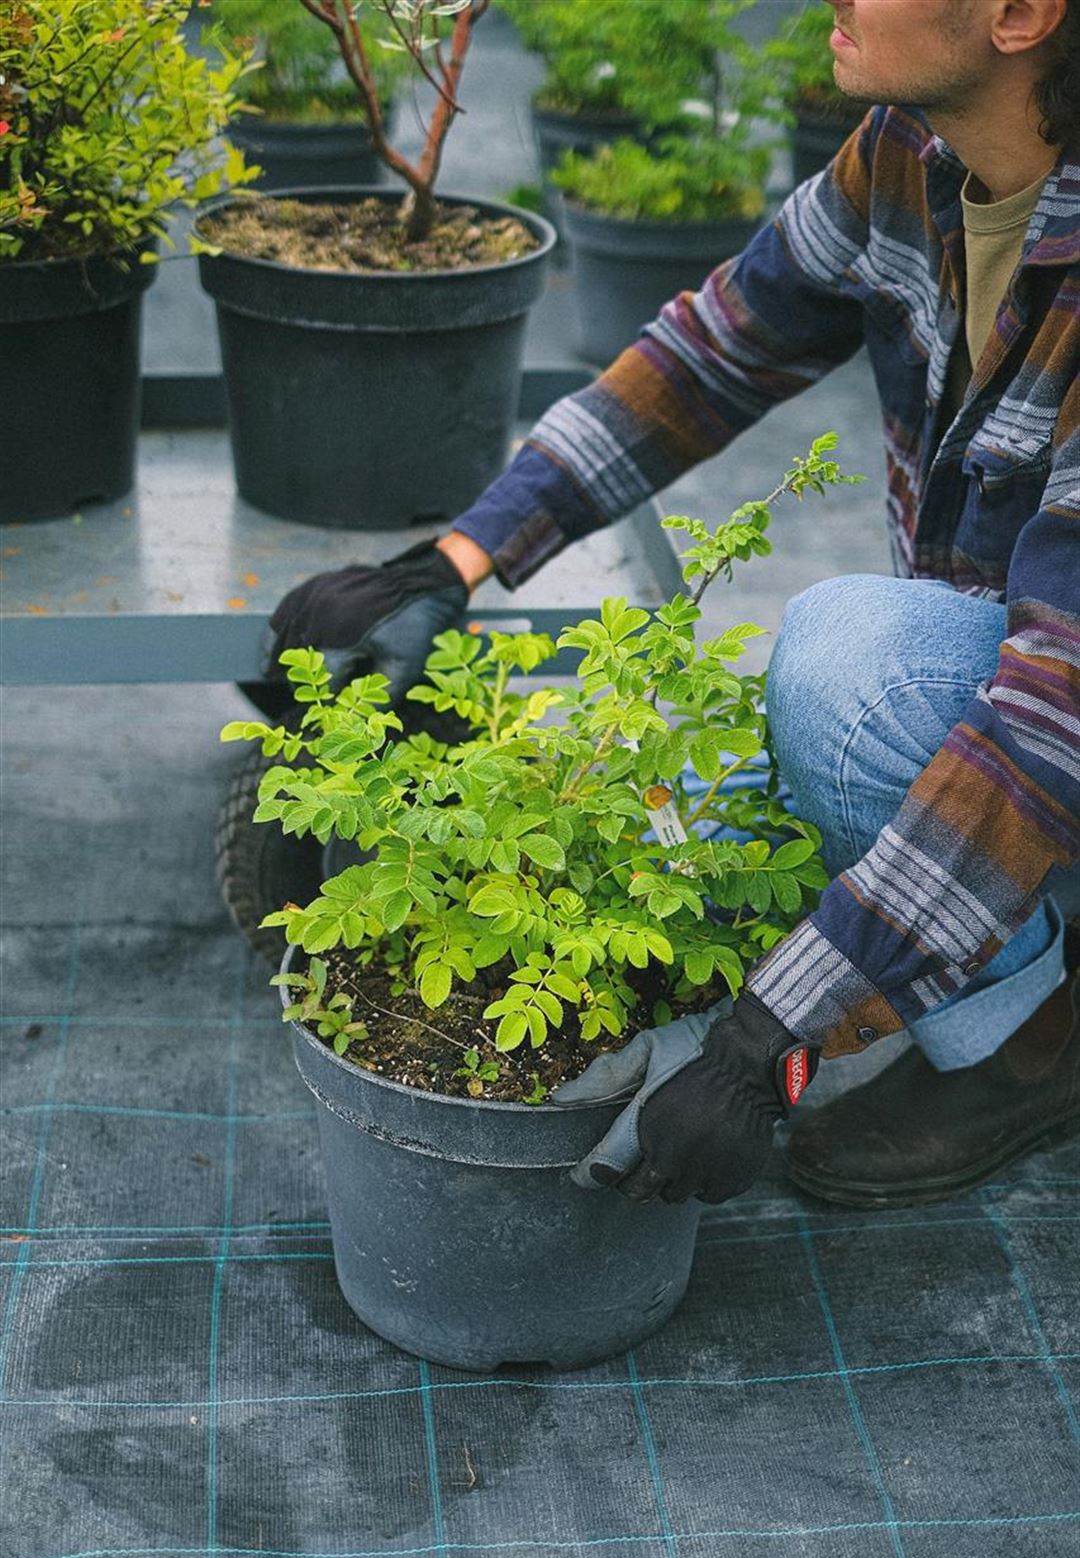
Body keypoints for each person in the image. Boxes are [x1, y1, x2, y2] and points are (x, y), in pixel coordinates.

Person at [265, 0, 1079, 1208]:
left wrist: (771, 1039)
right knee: (655, 835)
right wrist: (454, 562)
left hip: (1051, 727)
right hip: (1019, 704)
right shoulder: (915, 150)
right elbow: (717, 347)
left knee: (850, 678)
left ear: (1019, 16)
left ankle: (1033, 1047)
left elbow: (1048, 725)